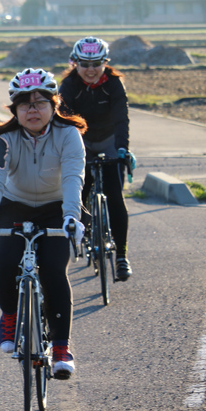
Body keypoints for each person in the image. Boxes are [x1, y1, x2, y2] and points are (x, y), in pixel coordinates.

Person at [0, 68, 87, 380]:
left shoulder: (68, 135)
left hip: (56, 208)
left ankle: (61, 347)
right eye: (24, 104)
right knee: (4, 265)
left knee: (53, 270)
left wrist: (71, 217)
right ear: (14, 110)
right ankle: (10, 316)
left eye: (40, 103)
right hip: (15, 206)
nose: (32, 110)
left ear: (54, 105)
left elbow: (73, 177)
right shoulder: (4, 139)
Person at [59, 36, 134, 281]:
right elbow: (65, 119)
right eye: (85, 64)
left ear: (105, 62)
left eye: (96, 64)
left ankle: (121, 256)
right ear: (75, 63)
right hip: (80, 140)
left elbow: (121, 117)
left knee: (114, 196)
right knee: (80, 191)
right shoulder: (69, 85)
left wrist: (122, 149)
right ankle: (86, 229)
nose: (90, 69)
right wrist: (68, 152)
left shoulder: (113, 84)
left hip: (109, 139)